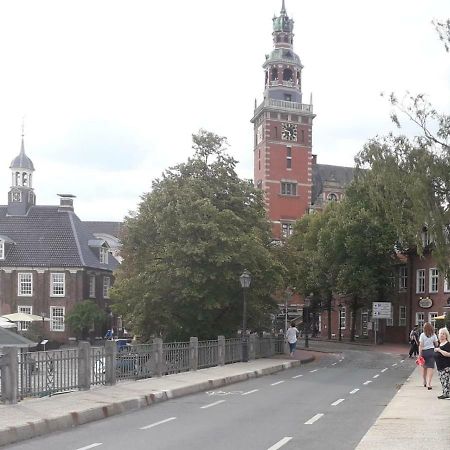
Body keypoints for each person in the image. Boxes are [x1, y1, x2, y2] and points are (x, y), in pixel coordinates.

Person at [418, 322, 438, 389]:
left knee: (424, 368)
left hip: (424, 352)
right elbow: (436, 344)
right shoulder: (433, 334)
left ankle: (424, 381)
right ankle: (429, 384)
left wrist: (419, 355)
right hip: (431, 352)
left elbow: (421, 345)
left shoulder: (422, 335)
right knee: (431, 368)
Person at [433, 327, 450, 399]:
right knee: (442, 380)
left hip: (446, 366)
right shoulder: (439, 344)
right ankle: (445, 393)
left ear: (446, 335)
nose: (442, 335)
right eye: (440, 334)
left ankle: (447, 394)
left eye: (443, 334)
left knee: (446, 380)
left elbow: (448, 354)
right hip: (439, 366)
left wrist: (439, 350)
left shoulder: (448, 344)